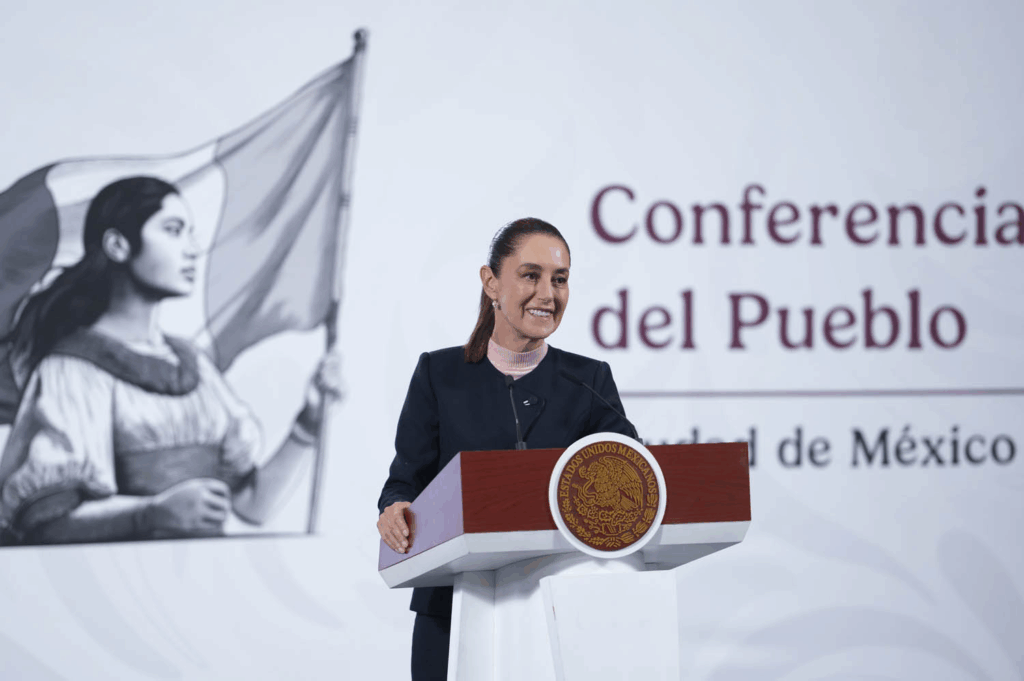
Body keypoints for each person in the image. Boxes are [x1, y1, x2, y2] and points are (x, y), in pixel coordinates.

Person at [0, 176, 340, 544]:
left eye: (190, 233)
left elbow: (251, 505)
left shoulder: (194, 366)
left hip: (205, 574)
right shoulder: (71, 370)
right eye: (173, 230)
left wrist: (309, 422)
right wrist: (151, 513)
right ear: (117, 245)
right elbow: (47, 523)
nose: (192, 249)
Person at [376, 217, 635, 680]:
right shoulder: (439, 374)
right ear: (491, 282)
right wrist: (394, 509)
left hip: (558, 610)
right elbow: (404, 482)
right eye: (531, 275)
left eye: (560, 279)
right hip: (450, 607)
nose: (547, 294)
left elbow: (631, 475)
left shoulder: (588, 380)